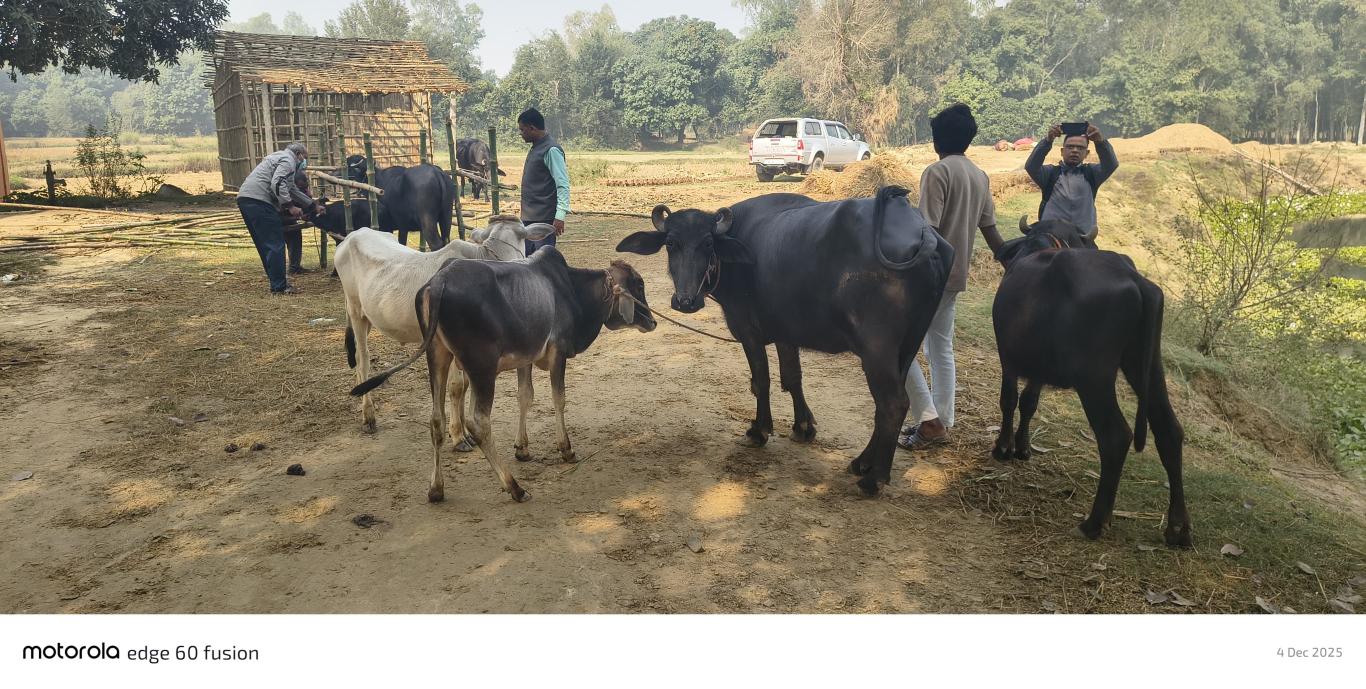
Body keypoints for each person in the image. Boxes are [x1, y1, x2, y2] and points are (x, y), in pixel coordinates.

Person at [899, 103, 1004, 451]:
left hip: (930, 275)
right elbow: (990, 229)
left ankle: (928, 420)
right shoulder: (979, 175)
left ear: (936, 140)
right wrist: (1010, 259)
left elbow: (927, 230)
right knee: (940, 347)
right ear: (969, 139)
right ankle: (941, 419)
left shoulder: (937, 172)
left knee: (899, 348)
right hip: (956, 274)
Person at [237, 142, 310, 294]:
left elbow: (292, 189)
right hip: (259, 201)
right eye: (304, 158)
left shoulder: (278, 157)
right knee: (275, 243)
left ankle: (277, 282)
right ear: (298, 154)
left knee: (265, 244)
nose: (304, 162)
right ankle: (280, 286)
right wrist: (290, 206)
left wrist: (312, 204)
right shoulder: (288, 160)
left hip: (246, 198)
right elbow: (277, 183)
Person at [1023, 123, 1118, 236]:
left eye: (1080, 148)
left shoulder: (1092, 173)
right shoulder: (1050, 173)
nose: (1075, 151)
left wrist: (1100, 142)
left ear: (1086, 153)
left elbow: (1111, 164)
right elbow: (1031, 166)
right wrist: (1048, 140)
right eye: (1070, 147)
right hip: (1050, 236)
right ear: (1062, 151)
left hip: (1082, 238)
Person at [516, 108, 570, 254]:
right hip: (530, 217)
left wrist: (560, 216)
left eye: (522, 130)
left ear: (532, 128)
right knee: (527, 258)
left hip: (544, 219)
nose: (521, 134)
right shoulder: (536, 147)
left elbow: (562, 184)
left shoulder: (551, 150)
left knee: (541, 259)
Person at [280, 170, 320, 275]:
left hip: (289, 219)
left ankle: (294, 267)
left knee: (295, 237)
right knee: (280, 243)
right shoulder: (284, 193)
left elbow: (304, 206)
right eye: (301, 187)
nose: (305, 189)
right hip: (277, 218)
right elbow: (280, 214)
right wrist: (297, 216)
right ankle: (286, 269)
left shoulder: (300, 192)